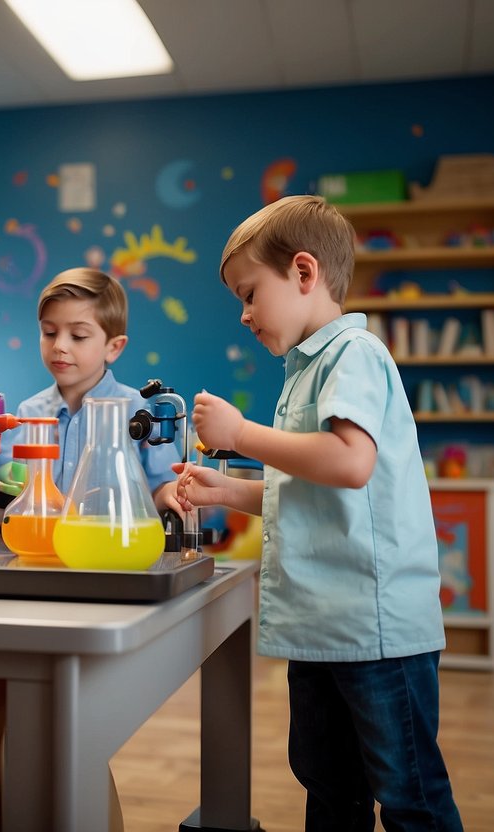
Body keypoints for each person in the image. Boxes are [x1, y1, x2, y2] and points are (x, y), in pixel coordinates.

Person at [173, 195, 462, 830]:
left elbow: (349, 462)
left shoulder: (355, 356)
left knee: (409, 794)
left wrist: (241, 434)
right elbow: (310, 487)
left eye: (250, 294)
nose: (244, 315)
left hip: (374, 631)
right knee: (329, 786)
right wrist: (227, 490)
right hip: (323, 629)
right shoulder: (303, 374)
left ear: (304, 273)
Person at [0, 267, 182, 515]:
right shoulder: (27, 413)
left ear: (114, 347)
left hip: (112, 547)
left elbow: (161, 488)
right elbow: (7, 498)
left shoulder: (138, 412)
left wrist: (168, 492)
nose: (59, 346)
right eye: (49, 333)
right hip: (41, 548)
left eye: (78, 336)